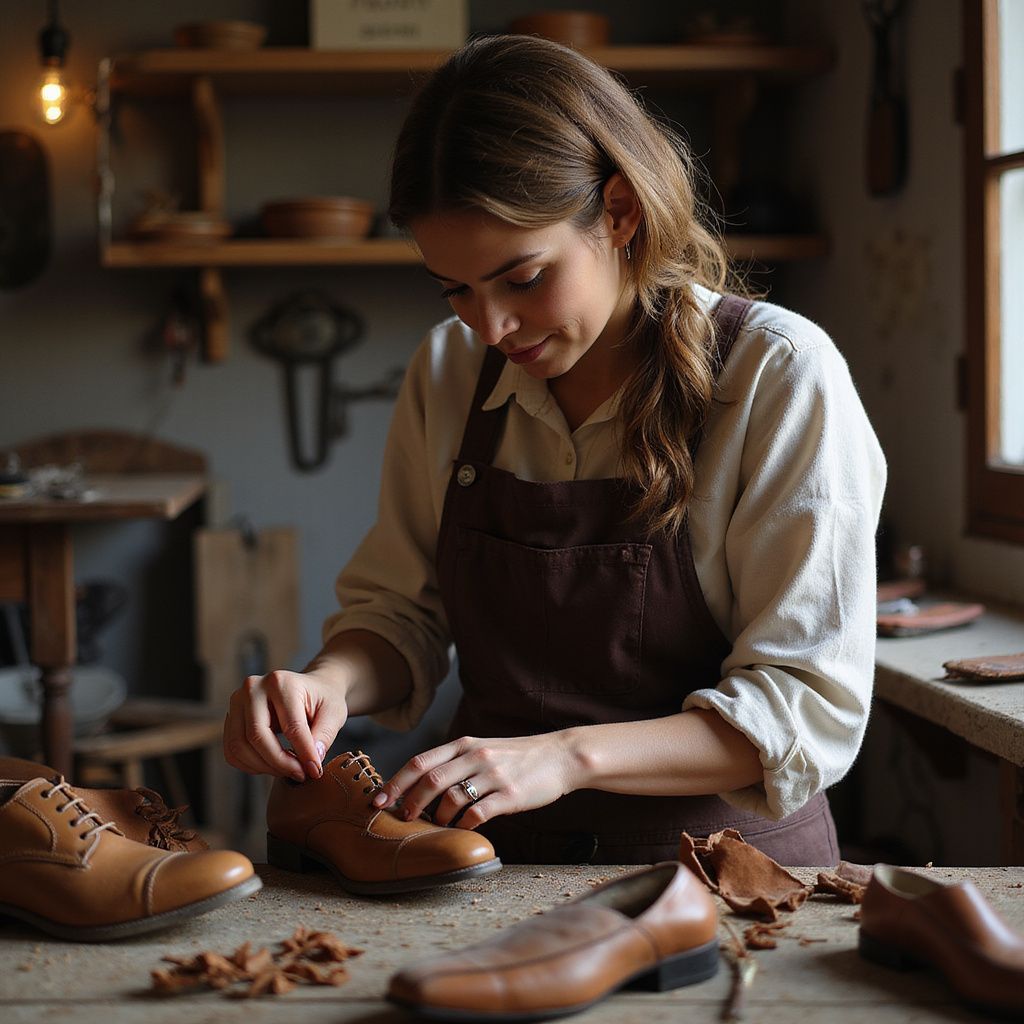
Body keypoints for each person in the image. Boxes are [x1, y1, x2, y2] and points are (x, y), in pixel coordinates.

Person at [223, 34, 886, 866]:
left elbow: (804, 708)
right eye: (456, 289)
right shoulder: (449, 369)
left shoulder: (777, 376)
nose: (492, 327)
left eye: (523, 278)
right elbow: (402, 614)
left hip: (730, 873)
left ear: (619, 211)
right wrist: (327, 685)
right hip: (491, 866)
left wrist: (565, 757)